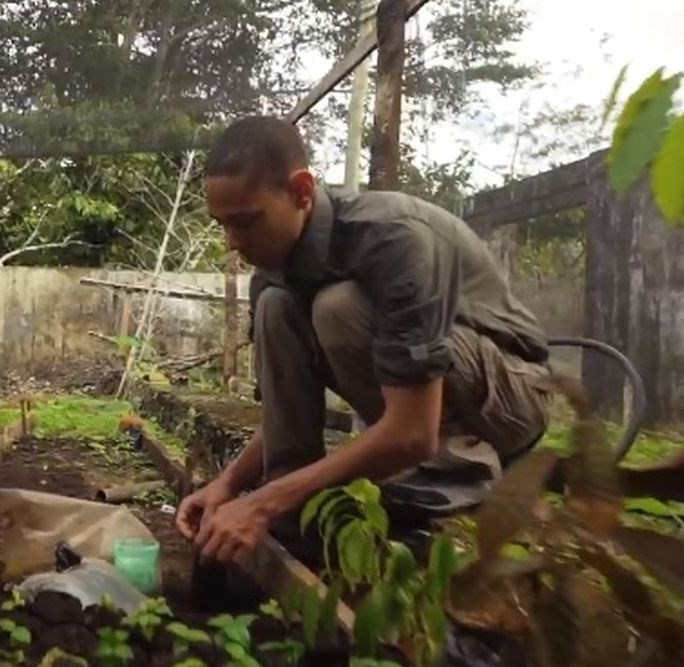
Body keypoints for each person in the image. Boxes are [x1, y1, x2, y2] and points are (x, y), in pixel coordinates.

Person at [176, 116, 553, 564]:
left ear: (301, 191)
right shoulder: (274, 269)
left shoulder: (394, 237)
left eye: (247, 222)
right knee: (276, 305)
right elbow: (285, 410)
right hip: (430, 401)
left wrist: (263, 501)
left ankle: (453, 473)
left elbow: (412, 431)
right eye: (224, 224)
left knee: (336, 306)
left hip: (510, 400)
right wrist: (231, 484)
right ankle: (295, 507)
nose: (233, 242)